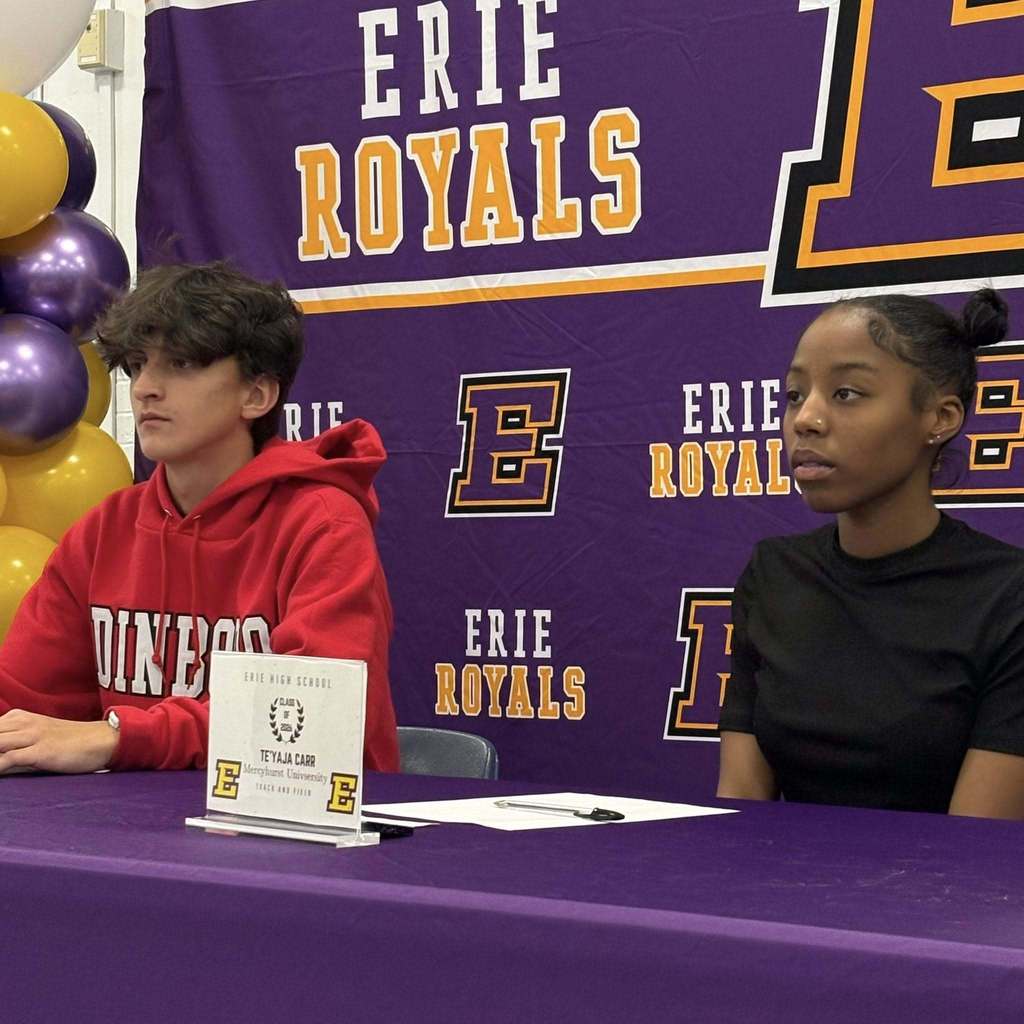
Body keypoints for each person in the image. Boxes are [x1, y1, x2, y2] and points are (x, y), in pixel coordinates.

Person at [0, 262, 399, 773]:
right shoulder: (104, 531)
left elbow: (313, 720)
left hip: (308, 834)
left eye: (181, 364)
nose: (144, 387)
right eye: (139, 364)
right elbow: (22, 703)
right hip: (131, 833)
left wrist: (119, 738)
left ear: (256, 395)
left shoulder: (322, 524)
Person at [717, 288, 1024, 819]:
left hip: (945, 894)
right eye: (795, 395)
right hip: (772, 895)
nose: (805, 420)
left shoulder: (1007, 596)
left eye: (847, 394)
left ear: (940, 417)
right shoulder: (774, 575)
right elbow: (741, 808)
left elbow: (976, 851)